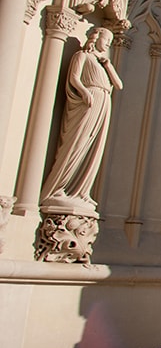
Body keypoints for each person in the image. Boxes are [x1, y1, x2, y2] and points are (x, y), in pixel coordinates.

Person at [40, 26, 123, 211]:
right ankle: (58, 187)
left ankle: (82, 191)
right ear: (96, 37)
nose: (108, 43)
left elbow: (118, 84)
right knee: (77, 143)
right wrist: (84, 92)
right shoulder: (82, 56)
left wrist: (108, 65)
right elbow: (74, 78)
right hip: (89, 102)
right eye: (106, 39)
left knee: (94, 146)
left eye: (110, 41)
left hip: (103, 101)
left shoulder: (103, 62)